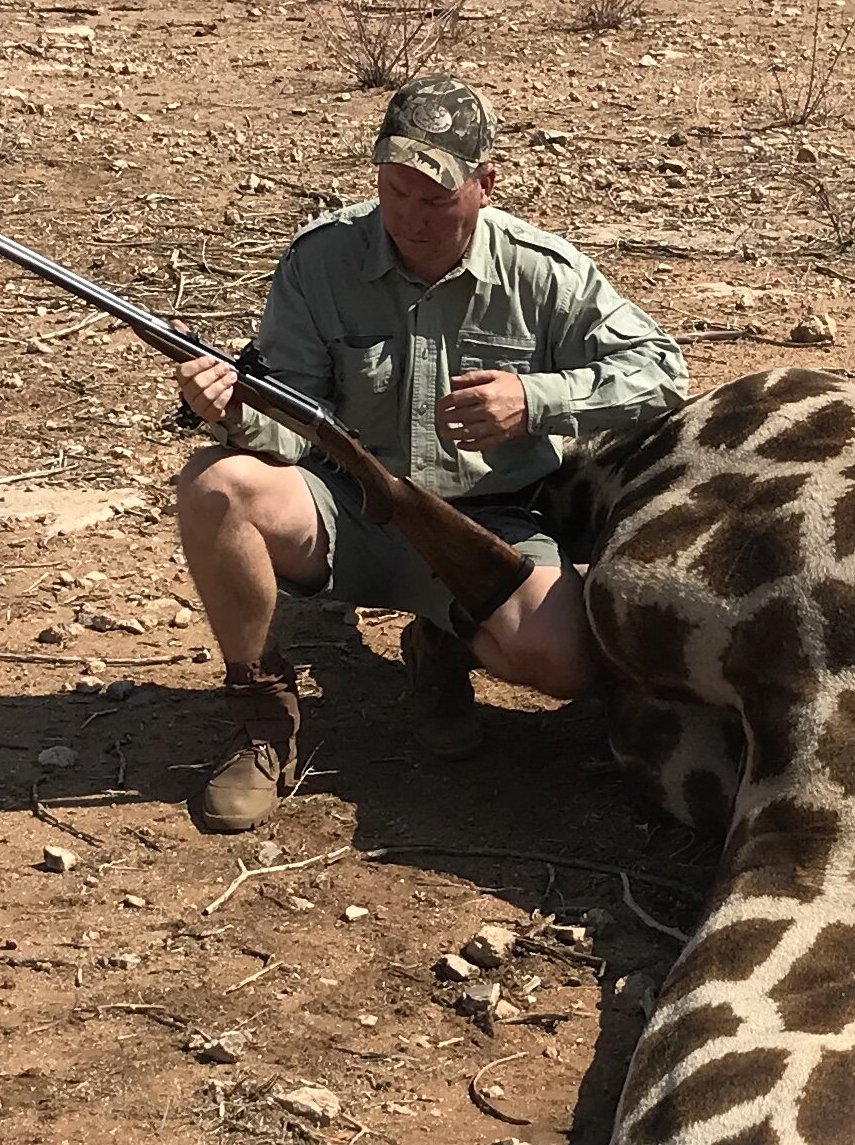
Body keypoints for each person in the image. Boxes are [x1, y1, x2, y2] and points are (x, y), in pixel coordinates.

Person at [172, 77, 686, 833]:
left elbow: (663, 369)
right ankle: (262, 720)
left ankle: (442, 644)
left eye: (436, 200)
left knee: (569, 663)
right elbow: (288, 426)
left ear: (486, 183)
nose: (410, 219)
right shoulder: (320, 261)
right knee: (215, 485)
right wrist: (234, 413)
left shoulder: (542, 270)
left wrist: (534, 399)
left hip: (490, 526)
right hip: (347, 507)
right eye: (394, 192)